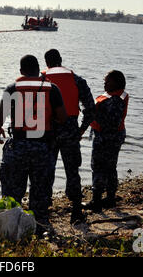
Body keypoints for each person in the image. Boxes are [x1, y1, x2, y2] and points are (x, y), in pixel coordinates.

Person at [0, 55, 67, 235]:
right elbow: (62, 117)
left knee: (13, 190)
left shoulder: (13, 88)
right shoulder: (52, 89)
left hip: (18, 145)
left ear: (21, 71)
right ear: (38, 69)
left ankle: (10, 229)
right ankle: (39, 228)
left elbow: (0, 115)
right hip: (42, 147)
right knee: (40, 190)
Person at [42, 49, 96, 224]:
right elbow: (90, 108)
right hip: (70, 129)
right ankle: (76, 210)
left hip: (47, 131)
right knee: (72, 170)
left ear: (46, 63)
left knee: (45, 170)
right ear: (61, 60)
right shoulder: (77, 79)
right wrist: (82, 129)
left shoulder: (41, 79)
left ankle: (44, 207)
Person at [86, 70, 129, 213]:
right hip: (111, 137)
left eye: (107, 81)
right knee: (110, 167)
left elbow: (112, 122)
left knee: (99, 167)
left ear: (116, 82)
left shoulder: (116, 100)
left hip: (107, 138)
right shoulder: (113, 96)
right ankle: (110, 198)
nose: (104, 83)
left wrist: (92, 115)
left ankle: (97, 200)